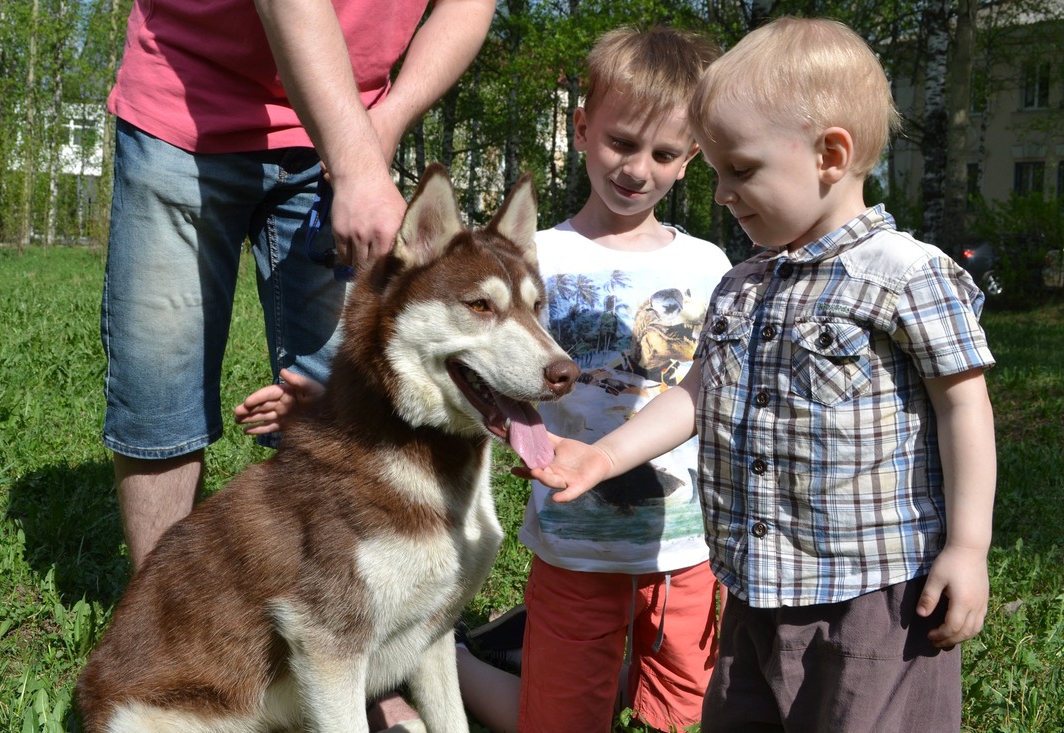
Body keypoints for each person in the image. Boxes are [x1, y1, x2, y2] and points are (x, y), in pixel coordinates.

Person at [237, 26, 731, 733]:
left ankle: (540, 668)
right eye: (622, 142)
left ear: (689, 160)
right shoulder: (537, 258)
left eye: (663, 153)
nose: (637, 168)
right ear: (583, 129)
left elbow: (723, 382)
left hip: (682, 549)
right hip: (571, 545)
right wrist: (326, 391)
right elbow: (412, 319)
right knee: (559, 719)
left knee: (681, 715)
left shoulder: (710, 265)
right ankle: (460, 660)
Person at [520, 17, 998, 732]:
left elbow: (965, 410)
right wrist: (605, 452)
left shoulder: (905, 275)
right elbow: (698, 389)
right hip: (753, 587)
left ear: (830, 155)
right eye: (714, 171)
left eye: (740, 170)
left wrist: (967, 546)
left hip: (874, 598)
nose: (721, 193)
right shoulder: (743, 284)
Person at [100, 0, 497, 573]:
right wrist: (358, 162)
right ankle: (161, 620)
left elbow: (467, 7)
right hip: (185, 103)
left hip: (345, 118)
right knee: (160, 379)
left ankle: (342, 603)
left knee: (347, 387)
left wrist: (374, 130)